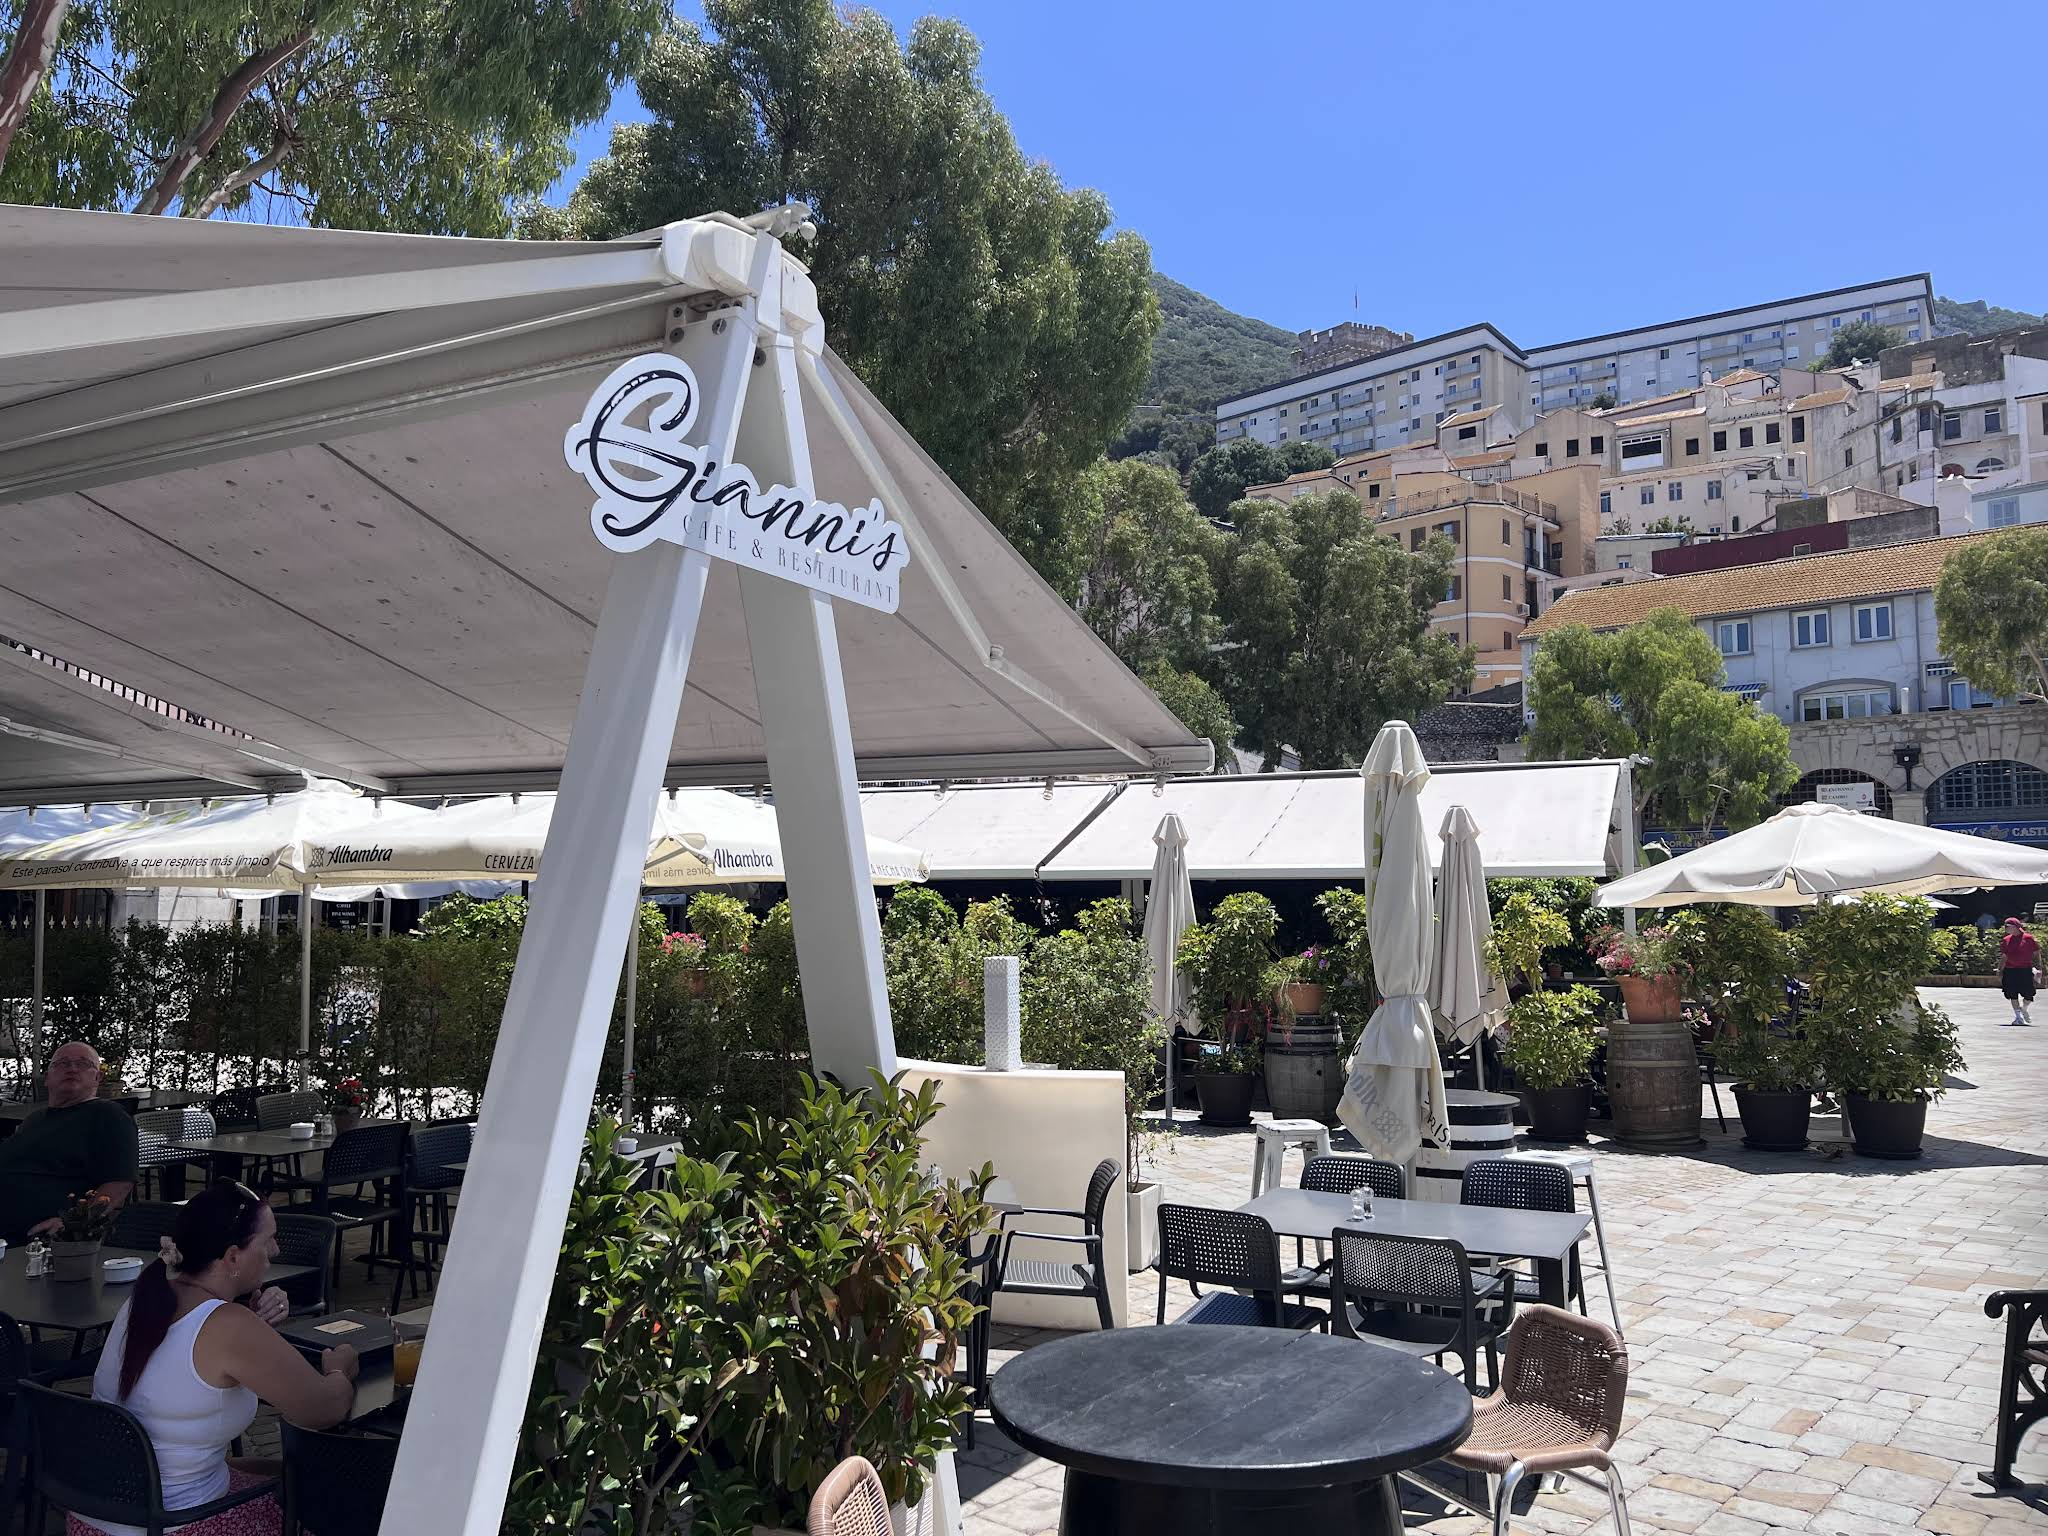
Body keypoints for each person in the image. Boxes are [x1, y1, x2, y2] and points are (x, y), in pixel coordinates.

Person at [80, 1181, 359, 1536]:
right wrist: (340, 1369)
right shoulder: (228, 1326)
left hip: (97, 1515)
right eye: (267, 1241)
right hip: (175, 1524)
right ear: (232, 1257)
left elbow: (190, 1361)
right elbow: (323, 1409)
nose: (275, 1250)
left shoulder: (144, 1298)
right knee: (330, 1492)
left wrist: (253, 1324)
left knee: (275, 1469)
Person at [0, 1041, 137, 1244]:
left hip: (42, 1235)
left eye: (83, 1064)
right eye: (63, 1063)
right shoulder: (34, 1120)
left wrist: (74, 1224)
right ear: (47, 1078)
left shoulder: (108, 1115)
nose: (72, 1068)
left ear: (98, 1077)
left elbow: (120, 1182)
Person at [2000, 917, 2040, 1026]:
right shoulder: (2006, 940)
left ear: (2016, 927)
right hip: (2010, 970)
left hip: (2025, 969)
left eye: (2008, 926)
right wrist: (2000, 969)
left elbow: (2036, 953)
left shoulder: (2028, 938)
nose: (2006, 928)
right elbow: (2004, 956)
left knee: (2029, 994)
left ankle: (2024, 1009)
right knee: (2012, 994)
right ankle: (2018, 1018)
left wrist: (2039, 967)